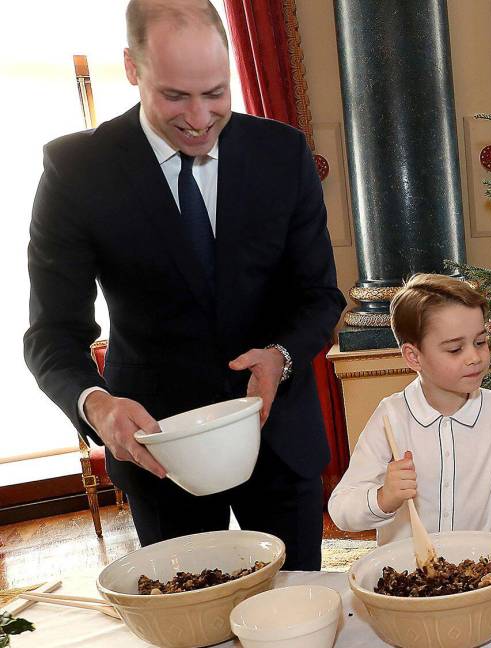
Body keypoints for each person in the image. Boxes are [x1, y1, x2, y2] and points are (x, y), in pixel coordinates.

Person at [24, 0, 345, 570]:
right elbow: (51, 334)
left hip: (279, 443)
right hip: (157, 454)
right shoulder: (77, 171)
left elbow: (319, 294)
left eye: (216, 93)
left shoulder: (281, 153)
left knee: (297, 618)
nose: (199, 118)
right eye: (176, 96)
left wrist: (282, 356)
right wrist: (97, 406)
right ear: (132, 67)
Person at [328, 274, 491, 547]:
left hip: (479, 568)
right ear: (413, 356)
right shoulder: (390, 416)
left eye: (480, 342)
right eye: (454, 349)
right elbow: (341, 509)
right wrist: (383, 498)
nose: (474, 357)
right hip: (408, 579)